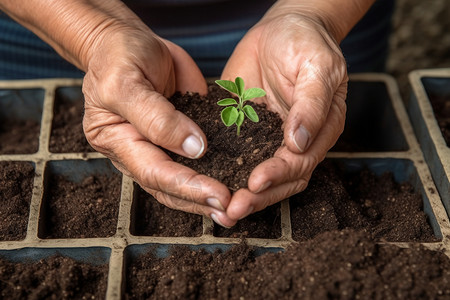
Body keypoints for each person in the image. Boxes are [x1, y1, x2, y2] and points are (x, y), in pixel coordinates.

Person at [0, 0, 393, 228]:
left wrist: (313, 13)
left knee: (327, 116)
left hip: (319, 22)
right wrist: (95, 33)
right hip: (57, 14)